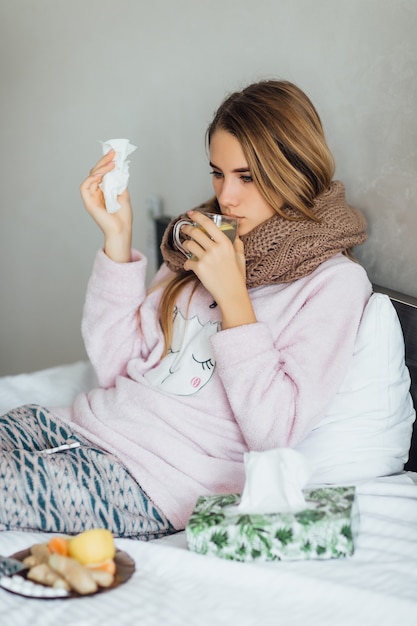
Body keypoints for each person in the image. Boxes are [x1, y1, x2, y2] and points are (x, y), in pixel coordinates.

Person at [0, 80, 414, 539]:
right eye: (218, 173)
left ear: (295, 169)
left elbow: (276, 433)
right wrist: (117, 240)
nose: (227, 196)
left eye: (247, 176)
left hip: (154, 483)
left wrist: (234, 298)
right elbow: (116, 367)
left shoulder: (333, 283)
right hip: (80, 425)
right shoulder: (198, 242)